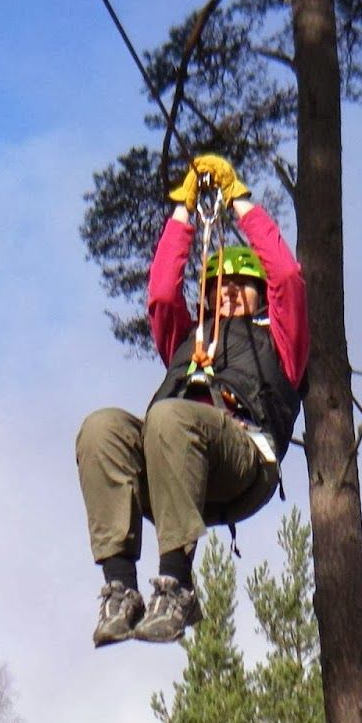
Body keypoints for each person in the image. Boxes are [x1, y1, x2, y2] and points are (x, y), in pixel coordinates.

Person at [76, 154, 308, 646]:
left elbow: (286, 276)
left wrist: (239, 201)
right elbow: (162, 293)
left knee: (169, 416)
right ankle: (120, 588)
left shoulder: (281, 338)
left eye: (240, 289)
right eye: (217, 290)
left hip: (242, 457)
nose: (226, 297)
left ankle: (176, 585)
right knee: (103, 427)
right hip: (173, 463)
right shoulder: (189, 336)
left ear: (259, 296)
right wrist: (184, 209)